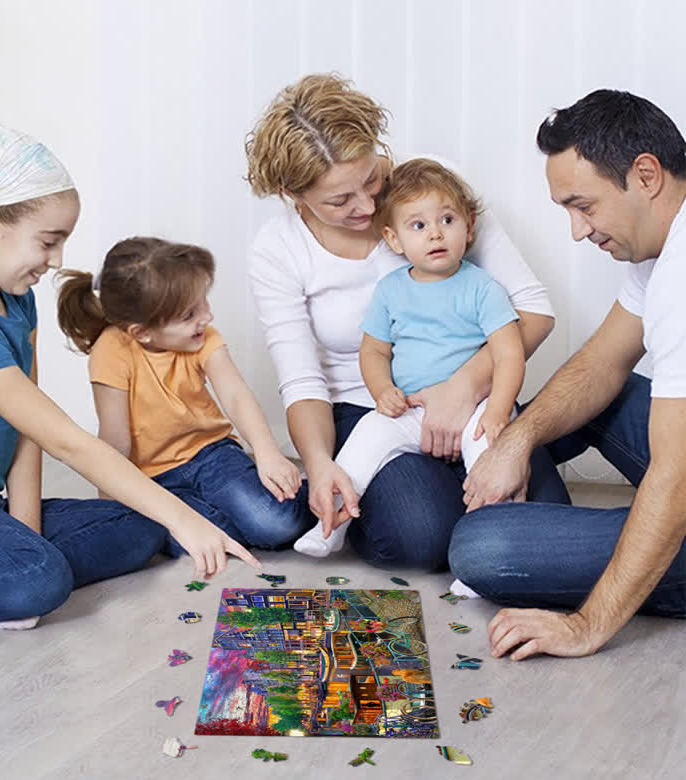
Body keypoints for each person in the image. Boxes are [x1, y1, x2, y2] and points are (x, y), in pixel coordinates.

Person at [0, 106, 259, 633]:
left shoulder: (18, 302)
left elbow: (29, 436)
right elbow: (68, 441)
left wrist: (27, 531)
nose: (58, 258)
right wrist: (186, 520)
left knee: (137, 526)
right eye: (47, 240)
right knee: (39, 576)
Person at [246, 73, 570, 569]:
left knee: (545, 518)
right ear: (294, 194)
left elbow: (533, 309)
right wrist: (319, 463)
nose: (369, 206)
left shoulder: (433, 194)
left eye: (372, 178)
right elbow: (303, 380)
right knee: (423, 537)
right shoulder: (278, 249)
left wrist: (462, 389)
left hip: (475, 388)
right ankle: (381, 502)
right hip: (369, 406)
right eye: (340, 200)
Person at [449, 89, 686, 660]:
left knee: (484, 548)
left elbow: (676, 477)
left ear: (646, 174)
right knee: (604, 393)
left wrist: (584, 626)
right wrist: (516, 441)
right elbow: (602, 363)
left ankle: (621, 548)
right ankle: (513, 484)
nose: (579, 232)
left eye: (585, 206)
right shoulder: (661, 248)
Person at [293, 158, 524, 557]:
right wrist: (382, 391)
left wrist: (498, 412)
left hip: (475, 409)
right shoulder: (391, 290)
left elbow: (509, 355)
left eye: (447, 220)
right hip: (411, 408)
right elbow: (375, 350)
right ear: (394, 239)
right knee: (366, 439)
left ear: (469, 228)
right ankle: (330, 525)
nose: (435, 233)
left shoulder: (482, 288)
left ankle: (489, 550)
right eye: (418, 226)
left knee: (491, 466)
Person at [56, 236, 315, 554]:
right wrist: (115, 503)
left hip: (212, 454)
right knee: (181, 541)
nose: (206, 317)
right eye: (189, 314)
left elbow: (235, 395)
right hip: (153, 476)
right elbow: (114, 438)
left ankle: (313, 490)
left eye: (203, 302)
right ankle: (242, 514)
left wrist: (267, 453)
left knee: (275, 524)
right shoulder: (111, 350)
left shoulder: (203, 337)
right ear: (142, 332)